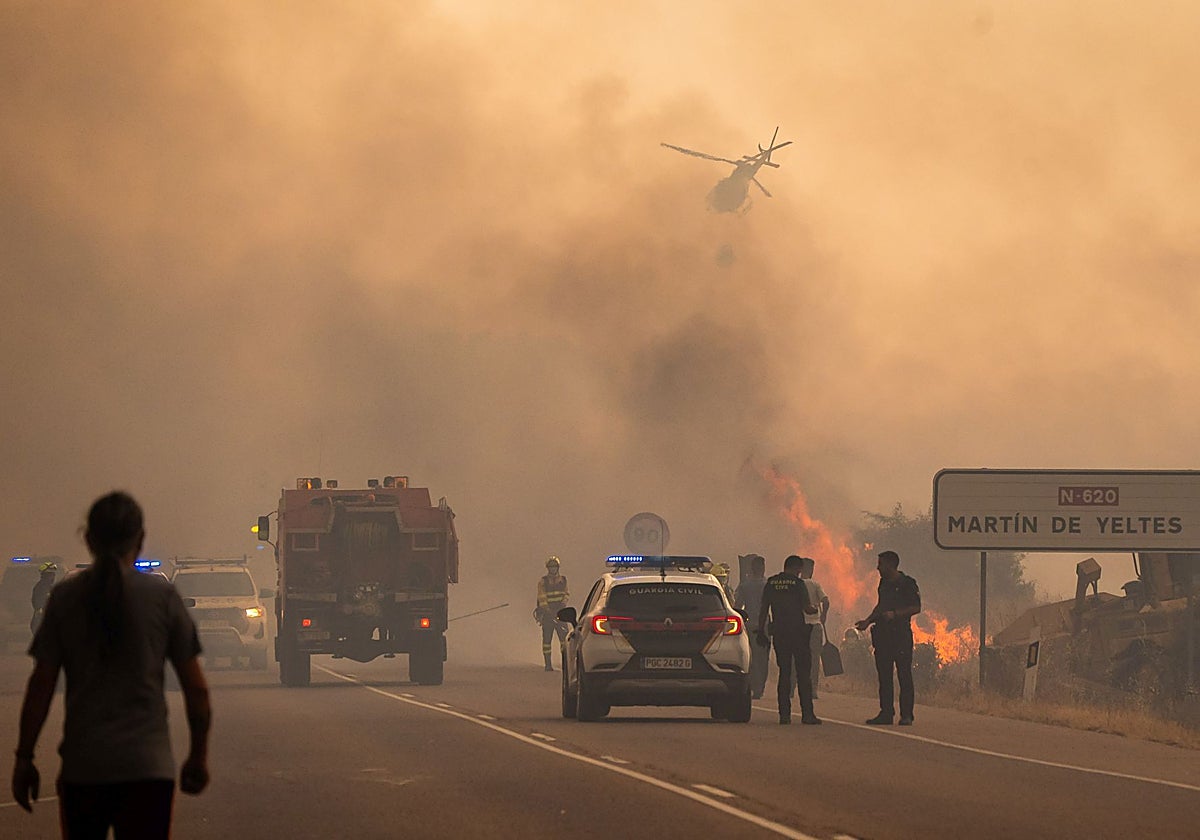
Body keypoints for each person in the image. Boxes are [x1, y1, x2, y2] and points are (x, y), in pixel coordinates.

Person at [11, 491, 211, 837]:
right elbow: (196, 689)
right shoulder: (162, 598)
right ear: (141, 539)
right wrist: (197, 756)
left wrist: (25, 757)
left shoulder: (64, 598)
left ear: (88, 539)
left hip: (84, 770)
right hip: (148, 771)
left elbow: (40, 686)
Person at [855, 549, 922, 726]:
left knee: (904, 674)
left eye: (881, 564)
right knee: (884, 676)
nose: (877, 568)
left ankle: (906, 715)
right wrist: (868, 621)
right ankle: (886, 713)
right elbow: (880, 605)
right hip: (883, 635)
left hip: (900, 634)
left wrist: (896, 614)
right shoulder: (883, 583)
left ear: (891, 565)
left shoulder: (908, 583)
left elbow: (916, 607)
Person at [755, 554, 820, 725]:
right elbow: (807, 608)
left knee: (785, 672)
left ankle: (784, 715)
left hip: (779, 633)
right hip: (798, 633)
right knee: (803, 674)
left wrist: (761, 630)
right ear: (797, 568)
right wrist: (814, 610)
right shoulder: (798, 584)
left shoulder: (771, 583)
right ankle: (808, 714)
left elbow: (764, 609)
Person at [734, 554, 768, 699]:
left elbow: (737, 606)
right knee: (762, 658)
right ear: (763, 568)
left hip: (749, 625)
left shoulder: (744, 585)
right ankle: (759, 688)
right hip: (764, 625)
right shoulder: (768, 585)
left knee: (751, 658)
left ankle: (755, 686)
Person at [798, 557, 830, 700]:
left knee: (798, 658)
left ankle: (796, 687)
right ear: (810, 570)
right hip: (815, 626)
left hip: (800, 626)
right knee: (814, 659)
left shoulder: (796, 585)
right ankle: (813, 689)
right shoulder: (816, 585)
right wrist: (823, 615)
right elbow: (826, 601)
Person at [535, 556, 569, 671]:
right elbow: (541, 597)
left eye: (554, 567)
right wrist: (547, 610)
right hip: (548, 614)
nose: (553, 569)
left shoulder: (563, 580)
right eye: (551, 567)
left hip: (560, 612)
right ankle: (548, 664)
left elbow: (566, 594)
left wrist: (562, 606)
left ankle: (566, 664)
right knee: (547, 641)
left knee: (564, 639)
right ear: (548, 568)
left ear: (558, 568)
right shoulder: (543, 581)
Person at [30, 561, 57, 634]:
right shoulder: (40, 588)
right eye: (50, 574)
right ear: (45, 575)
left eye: (53, 574)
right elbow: (37, 603)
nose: (53, 577)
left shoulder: (52, 588)